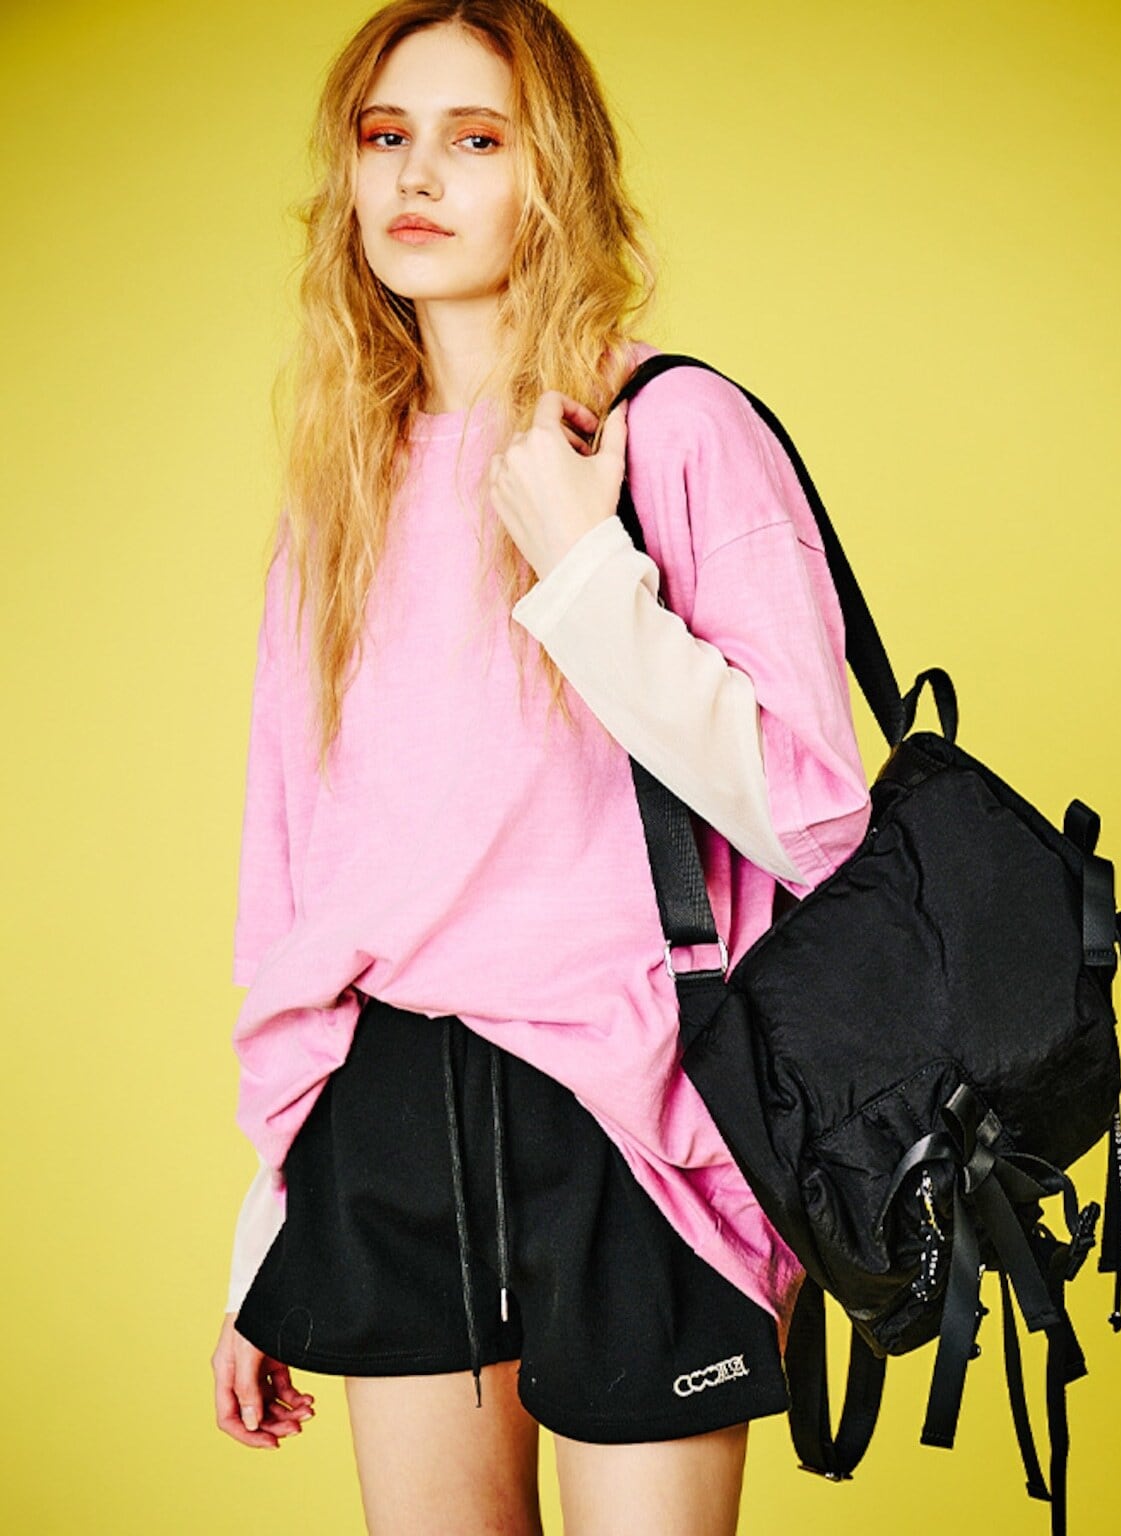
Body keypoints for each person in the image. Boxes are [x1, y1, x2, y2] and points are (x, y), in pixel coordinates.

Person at [209, 2, 874, 1531]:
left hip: (637, 1104)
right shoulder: (342, 484)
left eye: (475, 138)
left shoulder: (671, 427)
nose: (416, 176)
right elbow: (298, 881)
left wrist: (583, 564)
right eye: (386, 137)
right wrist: (270, 1221)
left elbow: (810, 818)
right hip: (386, 1105)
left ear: (552, 173)